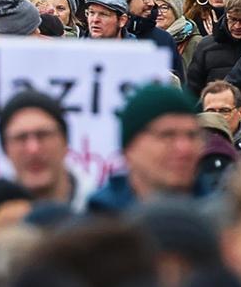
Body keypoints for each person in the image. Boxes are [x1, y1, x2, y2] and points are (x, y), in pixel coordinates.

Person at [86, 83, 206, 212]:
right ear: (130, 147)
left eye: (192, 136)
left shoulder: (222, 222)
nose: (184, 148)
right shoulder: (93, 226)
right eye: (167, 135)